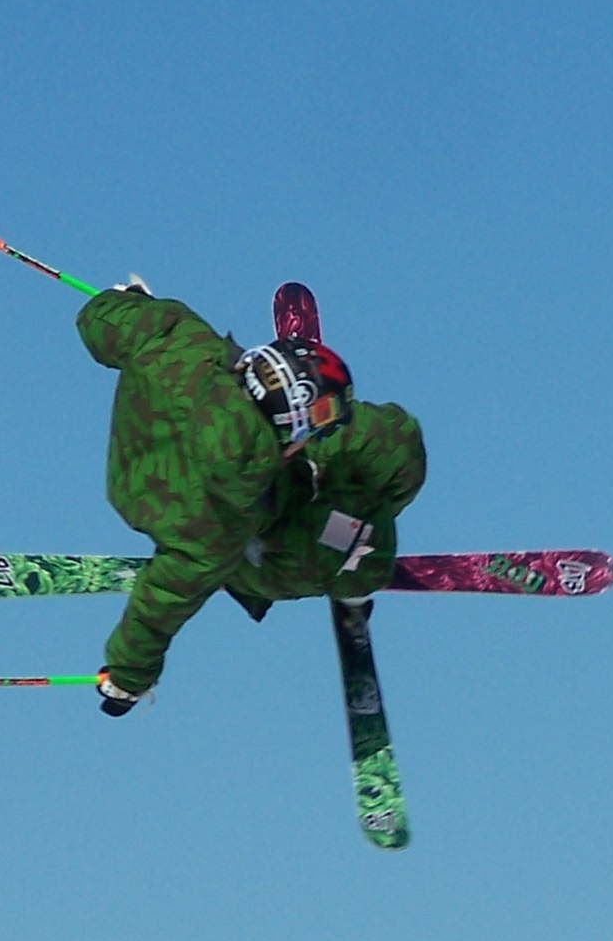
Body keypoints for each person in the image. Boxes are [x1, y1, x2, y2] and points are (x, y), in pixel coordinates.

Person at [74, 279, 427, 713]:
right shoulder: (217, 528)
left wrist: (127, 302)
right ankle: (354, 585)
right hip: (249, 533)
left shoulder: (178, 343)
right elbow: (159, 604)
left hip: (141, 476)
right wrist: (128, 675)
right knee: (358, 528)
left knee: (378, 446)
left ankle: (341, 487)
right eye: (316, 426)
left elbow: (99, 319)